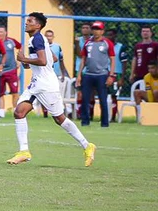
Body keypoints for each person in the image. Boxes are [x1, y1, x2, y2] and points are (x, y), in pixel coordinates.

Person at [7, 12, 96, 167]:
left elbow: (42, 60)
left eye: (30, 21)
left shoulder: (37, 39)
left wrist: (24, 59)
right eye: (26, 20)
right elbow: (52, 58)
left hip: (46, 86)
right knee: (19, 112)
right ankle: (24, 152)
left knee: (59, 119)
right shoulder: (36, 40)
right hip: (36, 84)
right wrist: (27, 63)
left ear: (38, 25)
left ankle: (87, 145)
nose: (26, 23)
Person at [76, 21, 115, 127]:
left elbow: (112, 59)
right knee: (85, 99)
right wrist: (79, 75)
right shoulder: (88, 43)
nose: (96, 31)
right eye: (94, 29)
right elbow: (83, 59)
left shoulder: (107, 43)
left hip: (102, 75)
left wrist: (111, 75)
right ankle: (85, 121)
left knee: (103, 100)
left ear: (102, 31)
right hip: (88, 74)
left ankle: (104, 123)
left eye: (98, 29)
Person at [0, 27, 22, 117]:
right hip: (0, 71)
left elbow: (20, 47)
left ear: (5, 32)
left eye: (1, 31)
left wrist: (19, 60)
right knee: (0, 93)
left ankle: (16, 112)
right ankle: (1, 113)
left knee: (15, 92)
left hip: (12, 71)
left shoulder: (11, 41)